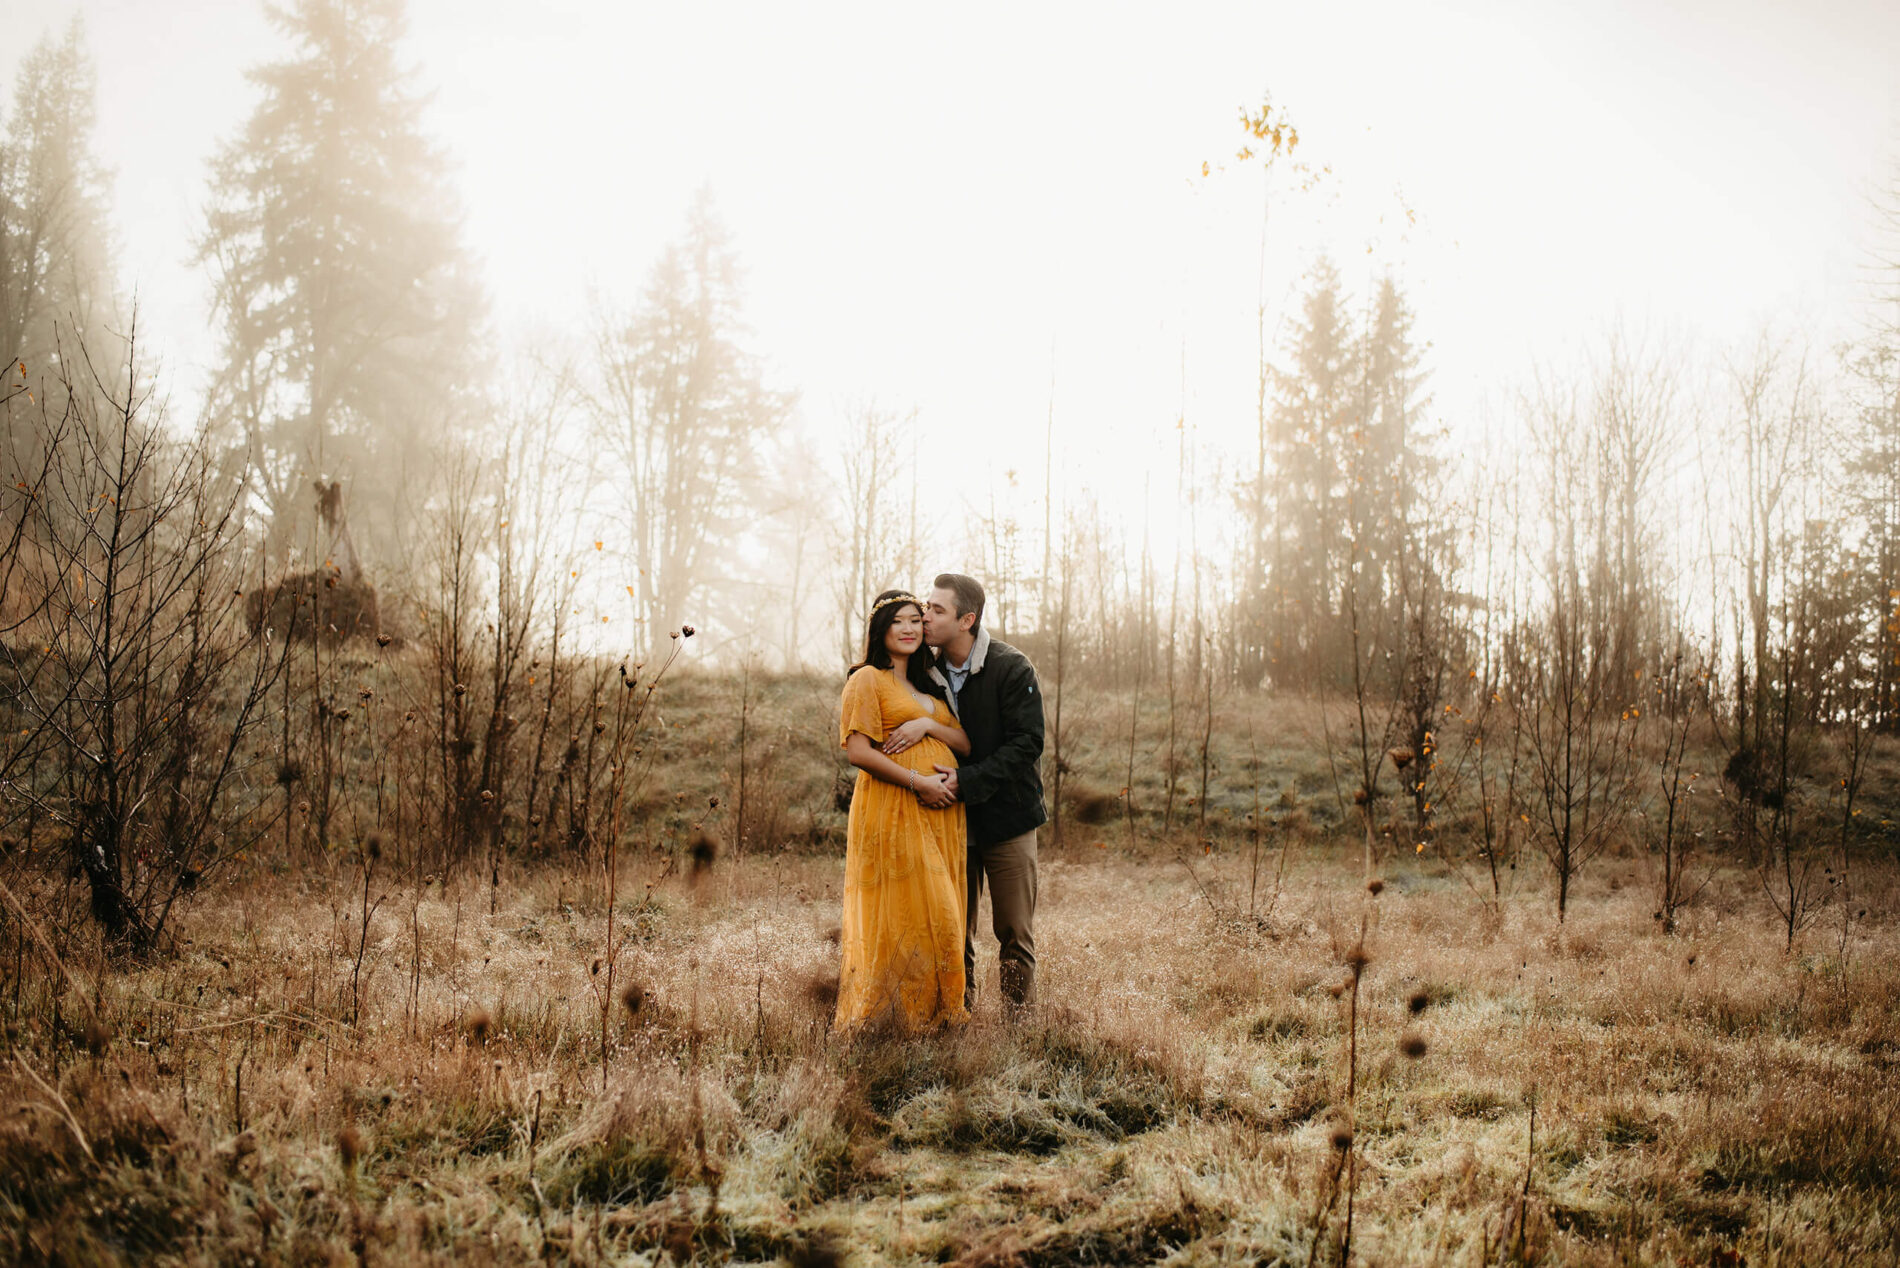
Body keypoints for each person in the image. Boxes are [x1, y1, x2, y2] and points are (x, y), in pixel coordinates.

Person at [834, 589, 972, 1031]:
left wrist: (928, 723)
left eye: (917, 620)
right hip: (894, 809)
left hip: (941, 816)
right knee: (904, 916)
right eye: (899, 621)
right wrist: (919, 782)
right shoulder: (867, 680)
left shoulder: (931, 686)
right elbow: (858, 752)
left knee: (942, 915)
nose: (911, 628)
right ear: (882, 629)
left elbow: (966, 743)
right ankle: (895, 1020)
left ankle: (940, 1019)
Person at [914, 573, 1046, 1016]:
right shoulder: (922, 670)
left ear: (967, 619)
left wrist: (965, 782)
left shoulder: (1012, 667)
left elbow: (1027, 743)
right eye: (926, 606)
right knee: (952, 930)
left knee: (1013, 931)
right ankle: (958, 1020)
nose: (924, 616)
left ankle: (1019, 1027)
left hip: (1008, 819)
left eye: (936, 610)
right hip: (948, 820)